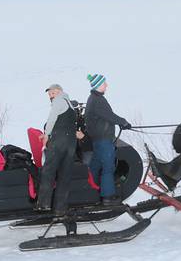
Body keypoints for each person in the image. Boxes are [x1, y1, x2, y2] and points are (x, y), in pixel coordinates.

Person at [84, 74, 131, 206]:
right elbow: (109, 115)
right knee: (108, 167)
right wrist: (123, 122)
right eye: (104, 83)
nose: (106, 85)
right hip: (103, 140)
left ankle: (90, 192)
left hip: (97, 139)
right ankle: (108, 197)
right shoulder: (98, 100)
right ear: (98, 86)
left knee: (95, 165)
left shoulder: (93, 98)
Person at [36, 83, 83, 215]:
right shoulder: (70, 105)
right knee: (65, 174)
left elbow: (51, 119)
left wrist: (46, 134)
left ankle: (44, 204)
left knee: (48, 171)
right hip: (70, 143)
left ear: (59, 91)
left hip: (59, 142)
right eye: (49, 94)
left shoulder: (58, 101)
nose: (50, 96)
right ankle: (60, 207)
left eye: (52, 93)